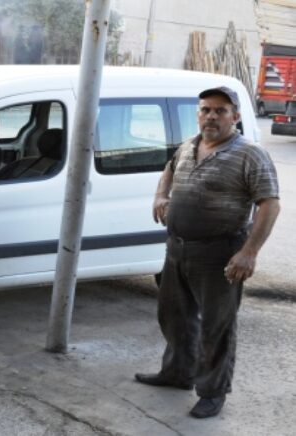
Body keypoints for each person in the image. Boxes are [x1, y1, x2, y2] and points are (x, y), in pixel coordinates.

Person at [135, 86, 280, 418]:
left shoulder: (250, 154)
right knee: (174, 316)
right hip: (178, 249)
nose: (211, 116)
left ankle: (213, 392)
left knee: (217, 327)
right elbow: (169, 169)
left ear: (235, 116)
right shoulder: (189, 145)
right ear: (198, 114)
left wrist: (249, 253)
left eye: (220, 110)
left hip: (220, 253)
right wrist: (161, 195)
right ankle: (177, 373)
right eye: (205, 110)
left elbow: (270, 205)